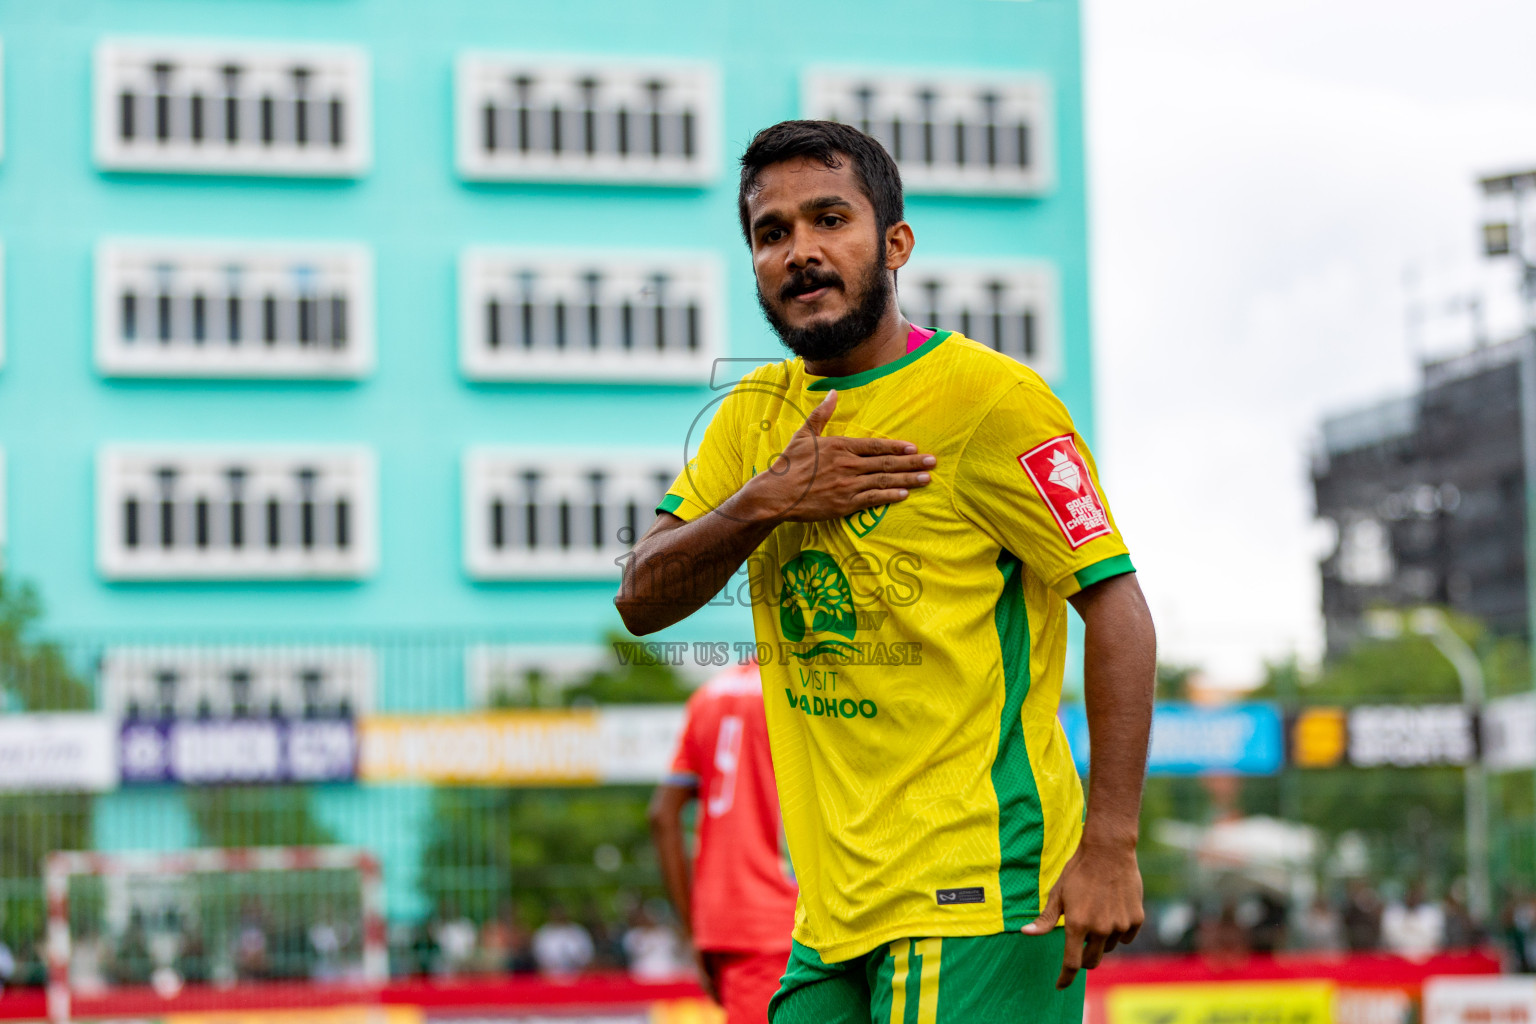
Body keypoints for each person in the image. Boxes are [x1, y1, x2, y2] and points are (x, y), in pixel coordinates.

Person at [617, 120, 1156, 1024]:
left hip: (982, 887)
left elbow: (1117, 604)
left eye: (831, 219)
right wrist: (766, 500)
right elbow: (641, 598)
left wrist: (1111, 841)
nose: (802, 251)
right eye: (772, 232)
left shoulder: (996, 402)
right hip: (830, 913)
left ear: (896, 243)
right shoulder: (752, 418)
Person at [649, 661, 798, 1021]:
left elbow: (663, 814)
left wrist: (693, 930)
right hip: (788, 915)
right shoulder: (811, 685)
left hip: (734, 921)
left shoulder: (708, 696)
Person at [531, 903, 594, 979]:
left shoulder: (578, 932)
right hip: (550, 977)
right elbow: (539, 957)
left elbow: (587, 955)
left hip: (577, 976)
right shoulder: (544, 933)